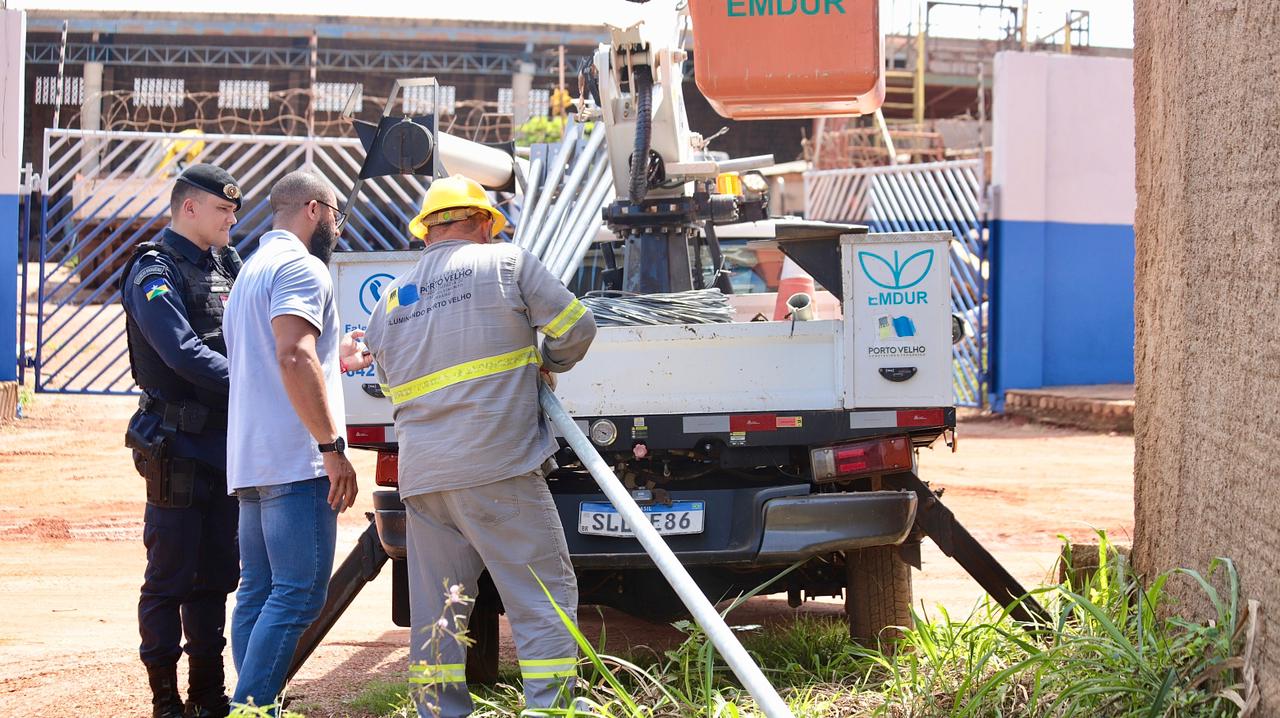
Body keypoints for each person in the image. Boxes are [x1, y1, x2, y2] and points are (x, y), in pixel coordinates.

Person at [362, 174, 597, 718]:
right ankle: (552, 709)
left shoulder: (394, 299)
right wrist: (547, 364)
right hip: (498, 463)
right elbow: (577, 328)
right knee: (541, 599)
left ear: (427, 232)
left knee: (440, 611)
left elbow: (391, 384)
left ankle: (440, 713)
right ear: (483, 223)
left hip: (424, 476)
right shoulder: (507, 264)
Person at [221, 169, 373, 711]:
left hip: (252, 460)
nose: (336, 226)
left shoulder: (252, 271)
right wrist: (332, 448)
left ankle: (254, 700)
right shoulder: (302, 267)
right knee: (299, 593)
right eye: (336, 216)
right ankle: (252, 707)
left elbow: (279, 357)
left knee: (260, 593)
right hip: (296, 459)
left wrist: (340, 359)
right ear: (314, 209)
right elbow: (292, 356)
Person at [120, 163, 244, 718]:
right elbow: (182, 353)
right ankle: (166, 702)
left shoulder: (227, 262)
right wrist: (259, 382)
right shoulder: (155, 268)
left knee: (217, 574)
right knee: (170, 576)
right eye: (223, 209)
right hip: (175, 444)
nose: (232, 219)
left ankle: (208, 696)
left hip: (225, 441)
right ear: (189, 208)